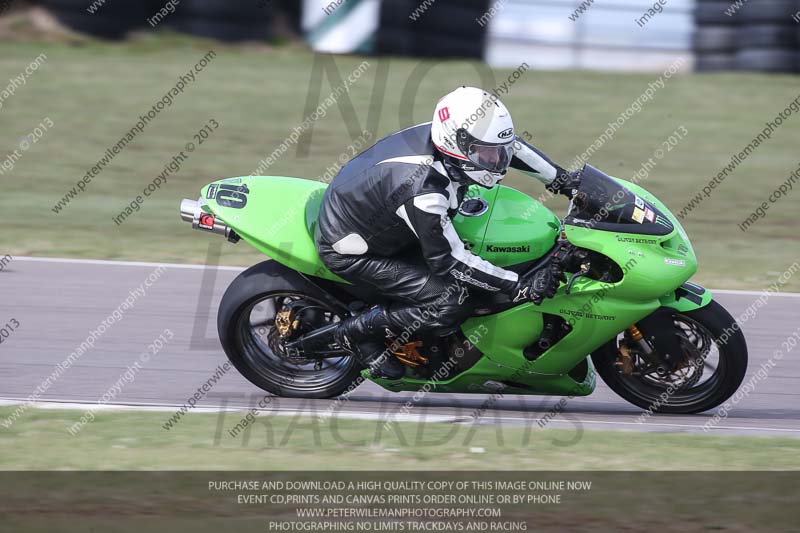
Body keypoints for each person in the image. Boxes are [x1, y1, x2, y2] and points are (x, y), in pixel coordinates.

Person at [294, 86, 578, 379]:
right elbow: (448, 262)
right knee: (450, 302)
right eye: (486, 153)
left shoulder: (451, 137)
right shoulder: (425, 192)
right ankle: (356, 334)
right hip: (356, 250)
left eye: (497, 151)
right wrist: (517, 285)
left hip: (379, 215)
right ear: (457, 144)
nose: (496, 161)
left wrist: (566, 181)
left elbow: (512, 147)